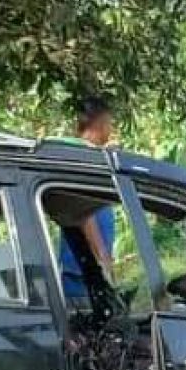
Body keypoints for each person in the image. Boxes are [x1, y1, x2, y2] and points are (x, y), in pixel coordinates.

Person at [58, 98, 116, 302]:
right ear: (101, 125)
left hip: (83, 266)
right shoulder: (82, 158)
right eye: (110, 124)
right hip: (83, 269)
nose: (111, 130)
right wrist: (101, 257)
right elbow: (83, 213)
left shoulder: (87, 154)